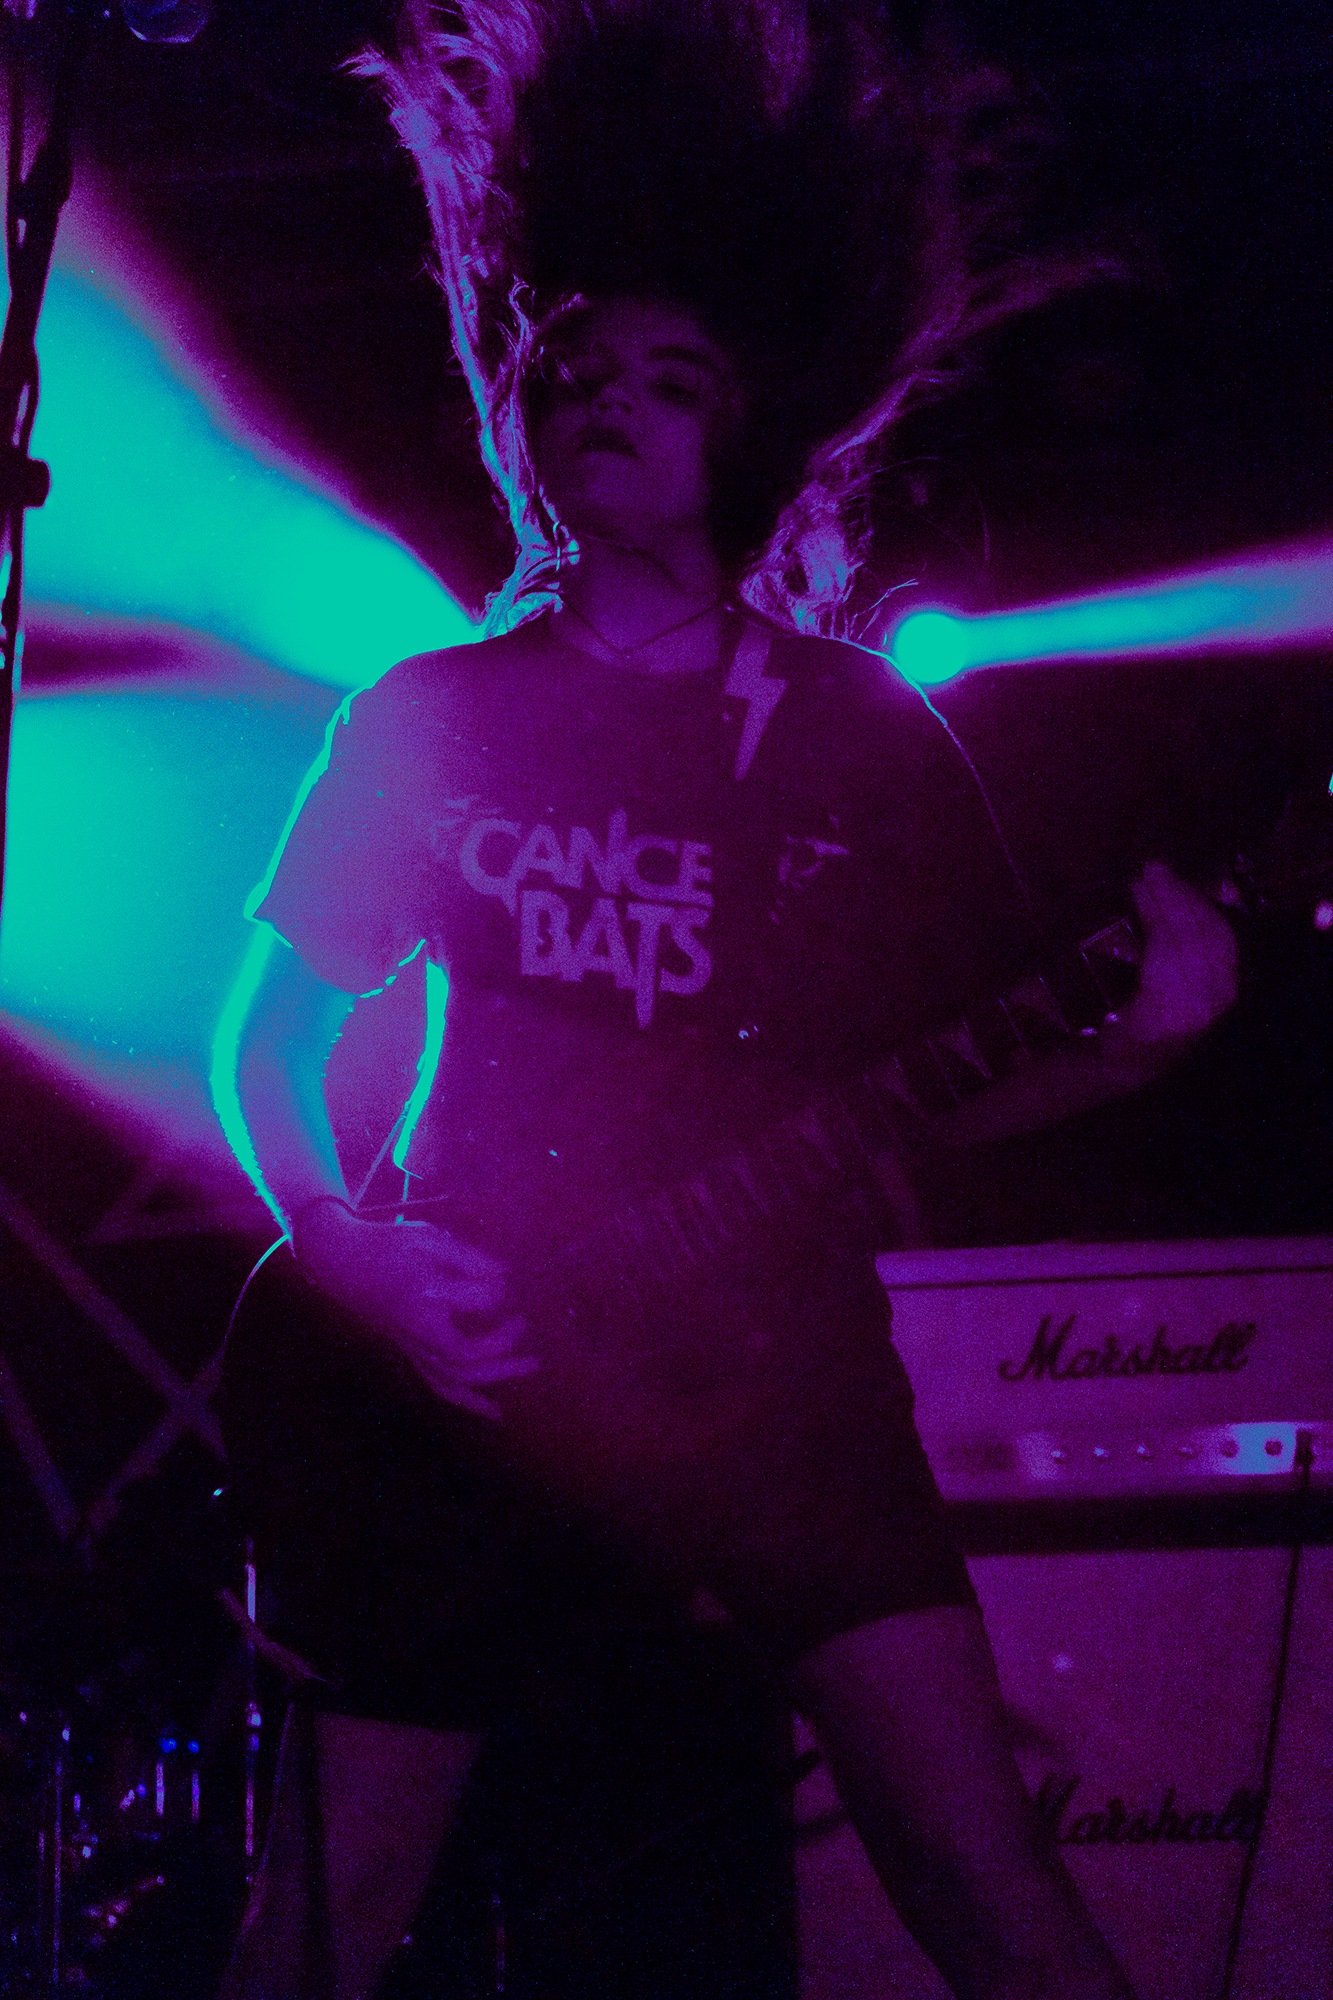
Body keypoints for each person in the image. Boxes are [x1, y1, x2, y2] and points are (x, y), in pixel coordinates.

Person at [215, 14, 1237, 1999]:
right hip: (484, 1352)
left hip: (781, 1367)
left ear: (744, 439)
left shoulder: (859, 738)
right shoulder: (434, 712)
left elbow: (925, 1098)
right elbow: (268, 1029)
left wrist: (1138, 1047)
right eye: (577, 371)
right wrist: (345, 1243)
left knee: (988, 1880)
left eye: (669, 380)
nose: (609, 397)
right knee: (319, 1929)